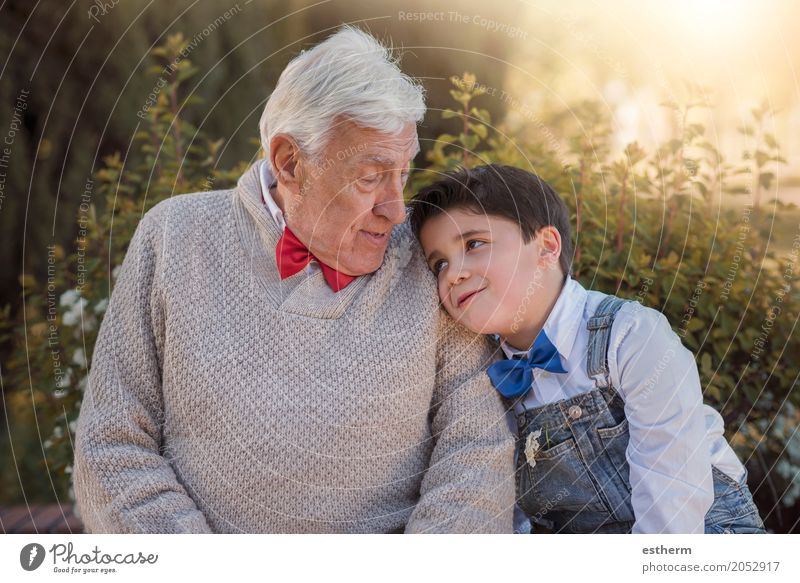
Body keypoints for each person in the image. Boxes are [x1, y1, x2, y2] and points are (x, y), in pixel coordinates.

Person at [72, 26, 515, 534]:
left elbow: (477, 451)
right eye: (371, 177)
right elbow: (113, 443)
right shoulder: (175, 237)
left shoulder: (427, 254)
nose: (396, 210)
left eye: (403, 173)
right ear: (290, 163)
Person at [409, 163, 766, 534]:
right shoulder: (480, 371)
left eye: (474, 244)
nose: (453, 274)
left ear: (546, 247)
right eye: (439, 264)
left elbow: (673, 508)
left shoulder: (630, 337)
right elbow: (505, 508)